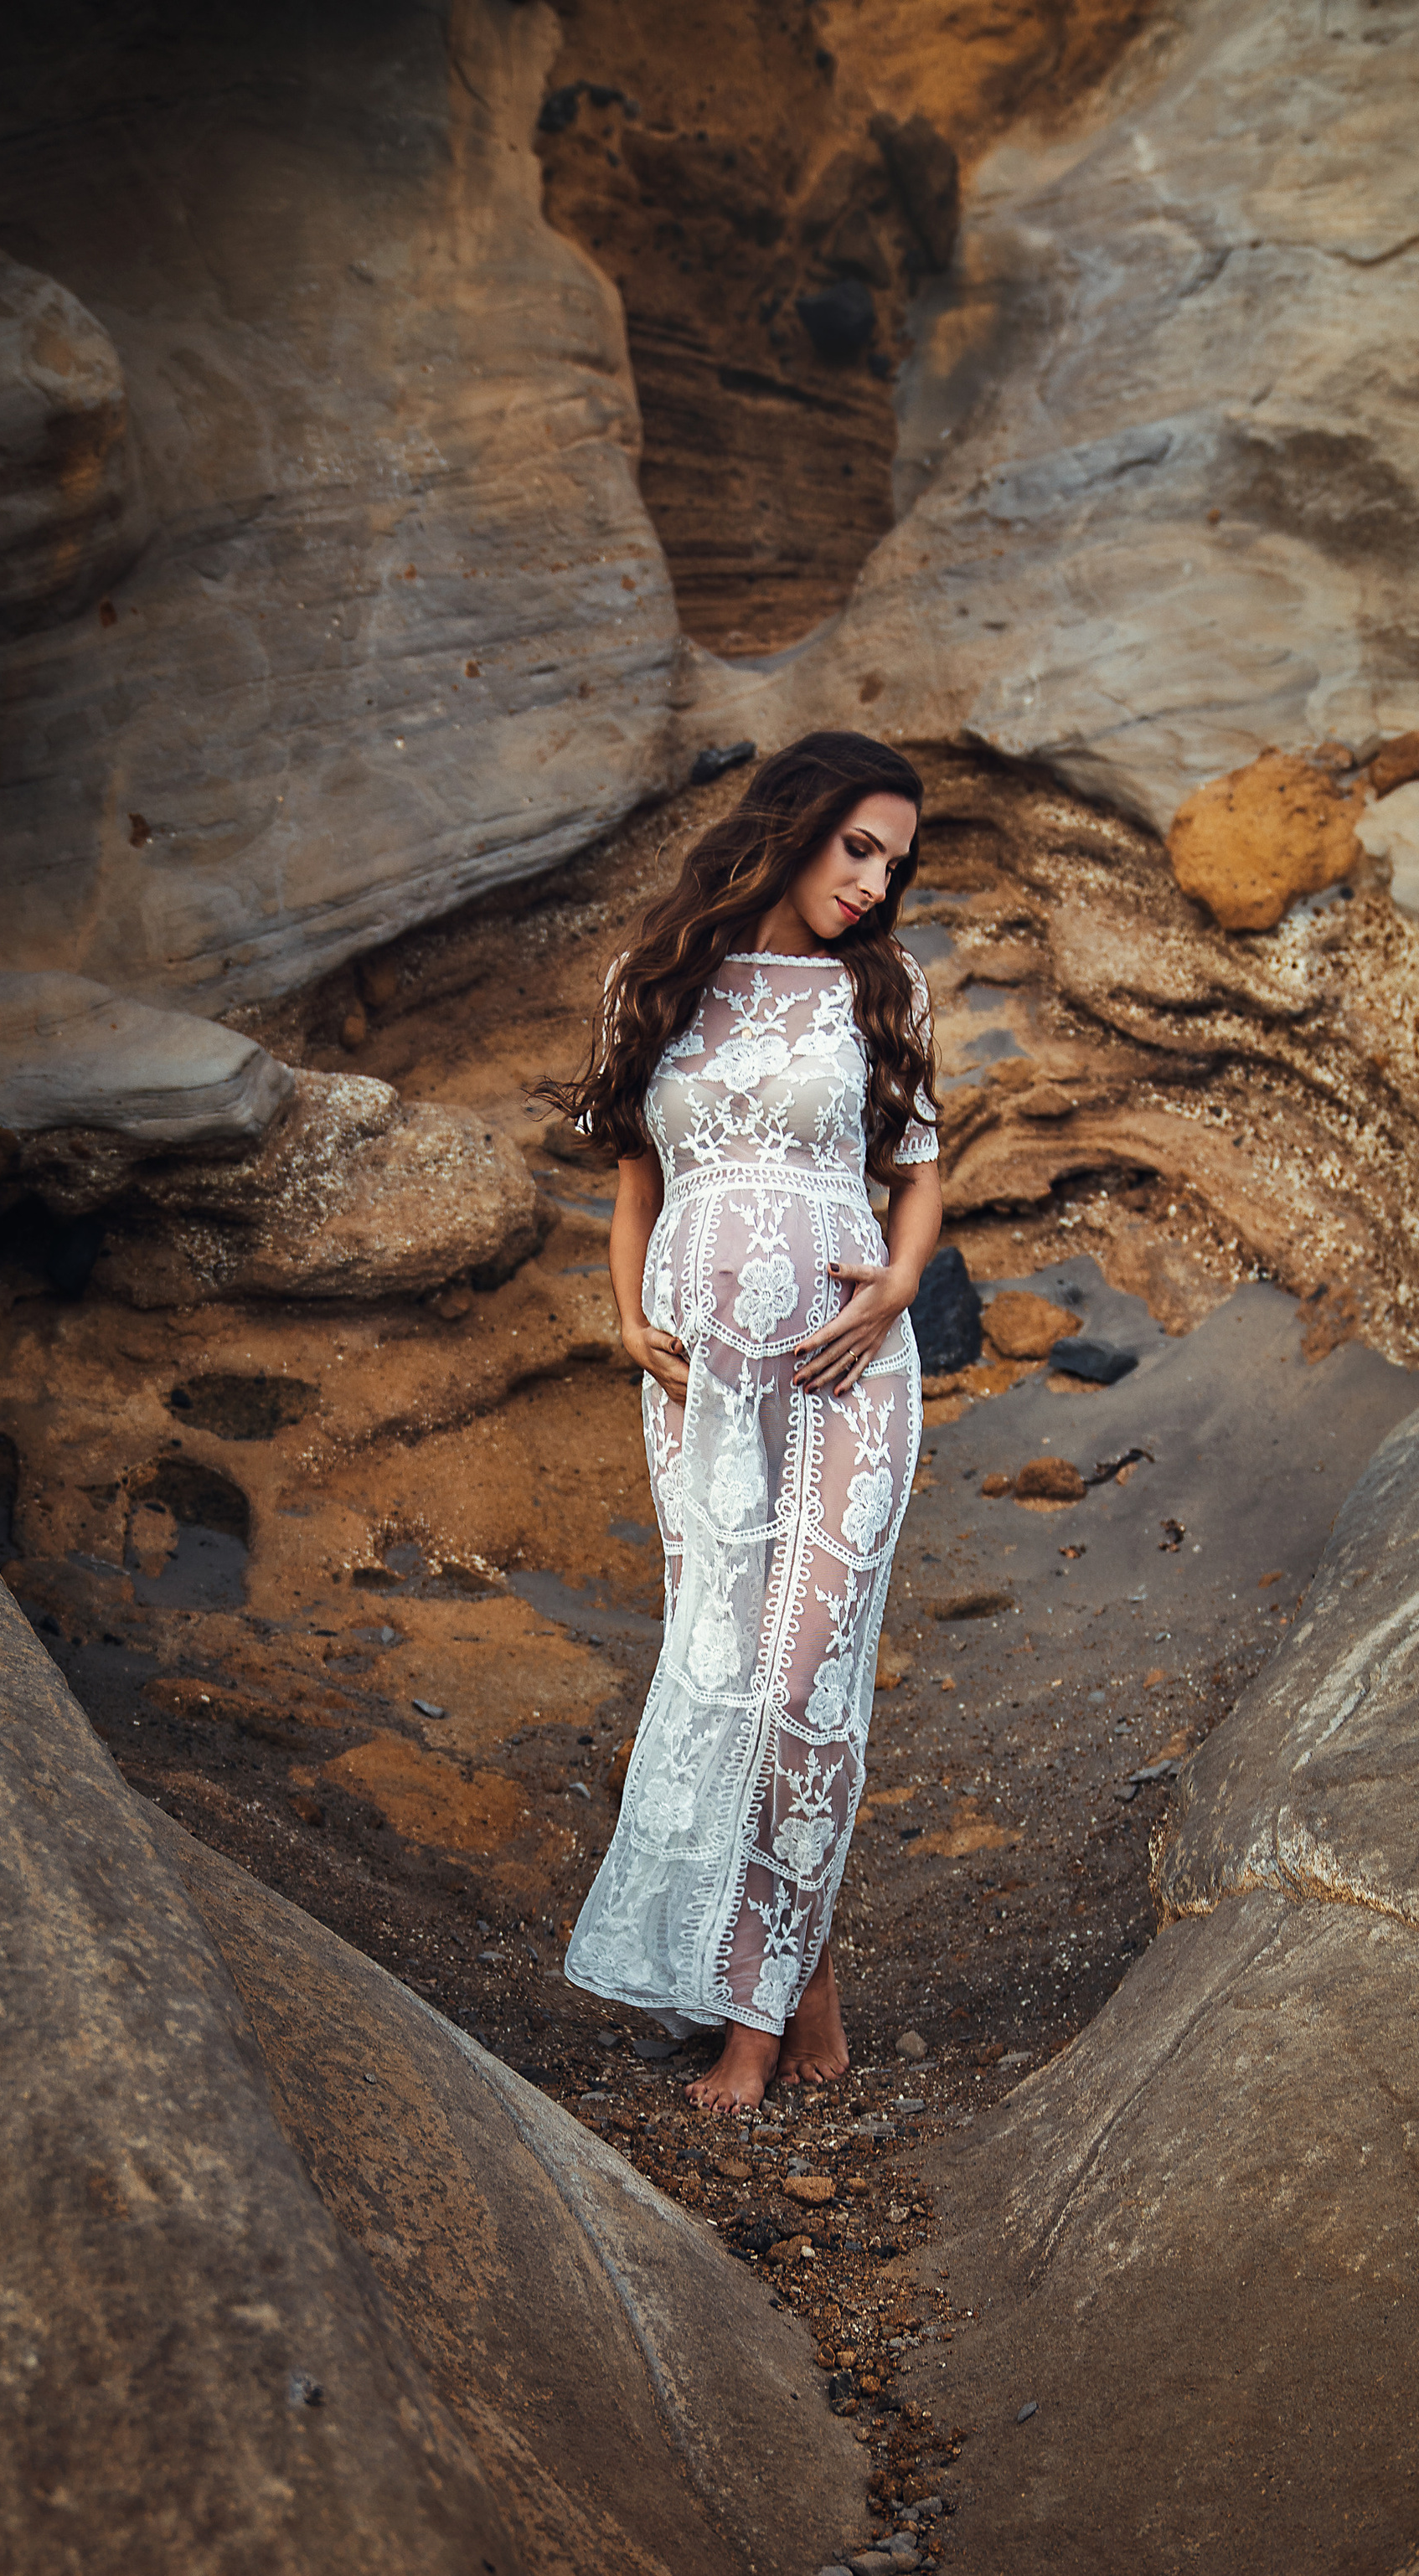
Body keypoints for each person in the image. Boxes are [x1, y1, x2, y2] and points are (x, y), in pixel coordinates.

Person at [555, 731, 944, 2114]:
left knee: (796, 1686)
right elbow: (635, 1185)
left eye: (892, 863)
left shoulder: (876, 989)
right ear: (795, 822)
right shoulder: (655, 982)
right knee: (723, 1674)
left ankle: (758, 2030)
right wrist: (624, 1314)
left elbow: (917, 1172)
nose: (873, 881)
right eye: (859, 846)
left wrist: (897, 1286)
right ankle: (797, 1976)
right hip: (701, 1391)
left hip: (847, 1375)